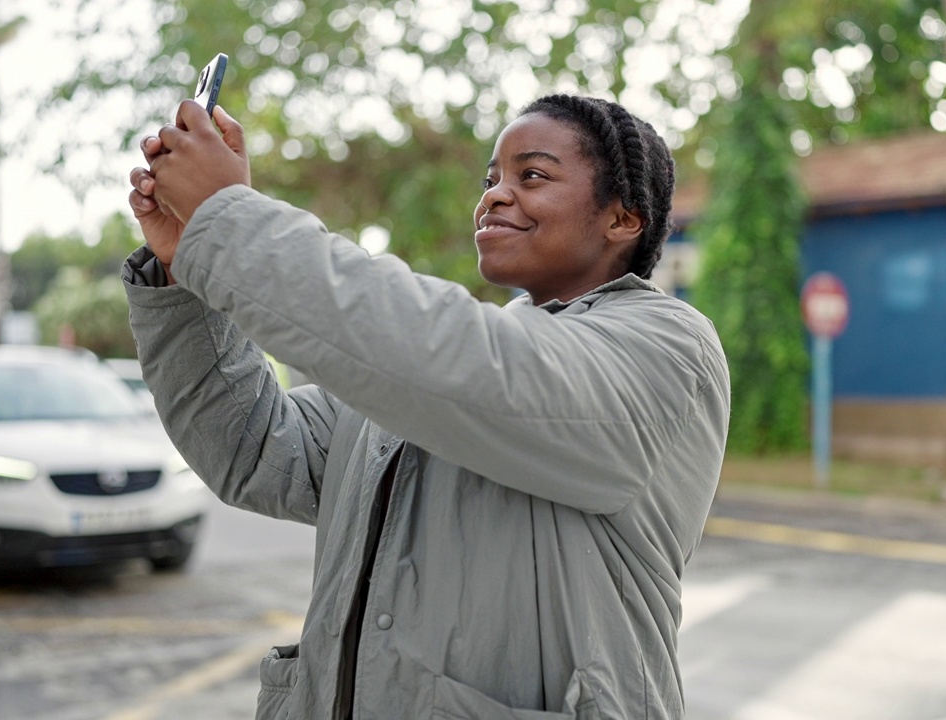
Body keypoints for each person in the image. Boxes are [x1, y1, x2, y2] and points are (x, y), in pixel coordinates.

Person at [123, 92, 730, 720]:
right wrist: (182, 273)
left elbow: (472, 369)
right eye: (491, 179)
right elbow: (252, 448)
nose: (494, 195)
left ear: (623, 219)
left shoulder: (667, 345)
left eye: (533, 175)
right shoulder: (425, 371)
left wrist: (231, 220)